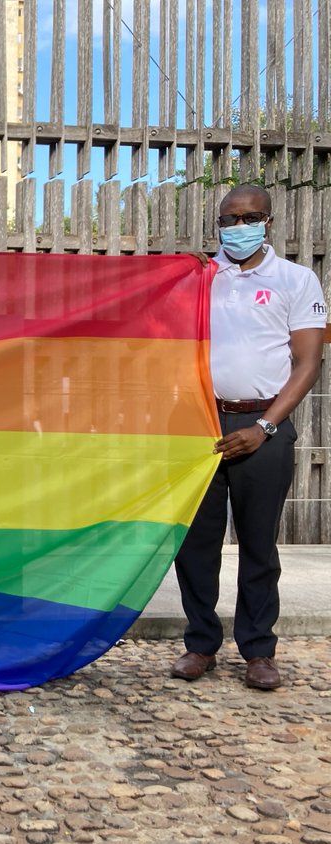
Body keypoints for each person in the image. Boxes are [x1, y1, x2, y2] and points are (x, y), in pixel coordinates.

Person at [171, 184, 327, 690]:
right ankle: (200, 644)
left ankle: (258, 651)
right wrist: (176, 276)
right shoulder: (200, 278)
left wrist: (264, 427)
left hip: (264, 424)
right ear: (218, 225)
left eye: (250, 218)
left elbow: (309, 363)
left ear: (269, 221)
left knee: (259, 544)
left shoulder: (295, 280)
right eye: (228, 221)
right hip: (199, 424)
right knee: (196, 543)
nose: (239, 228)